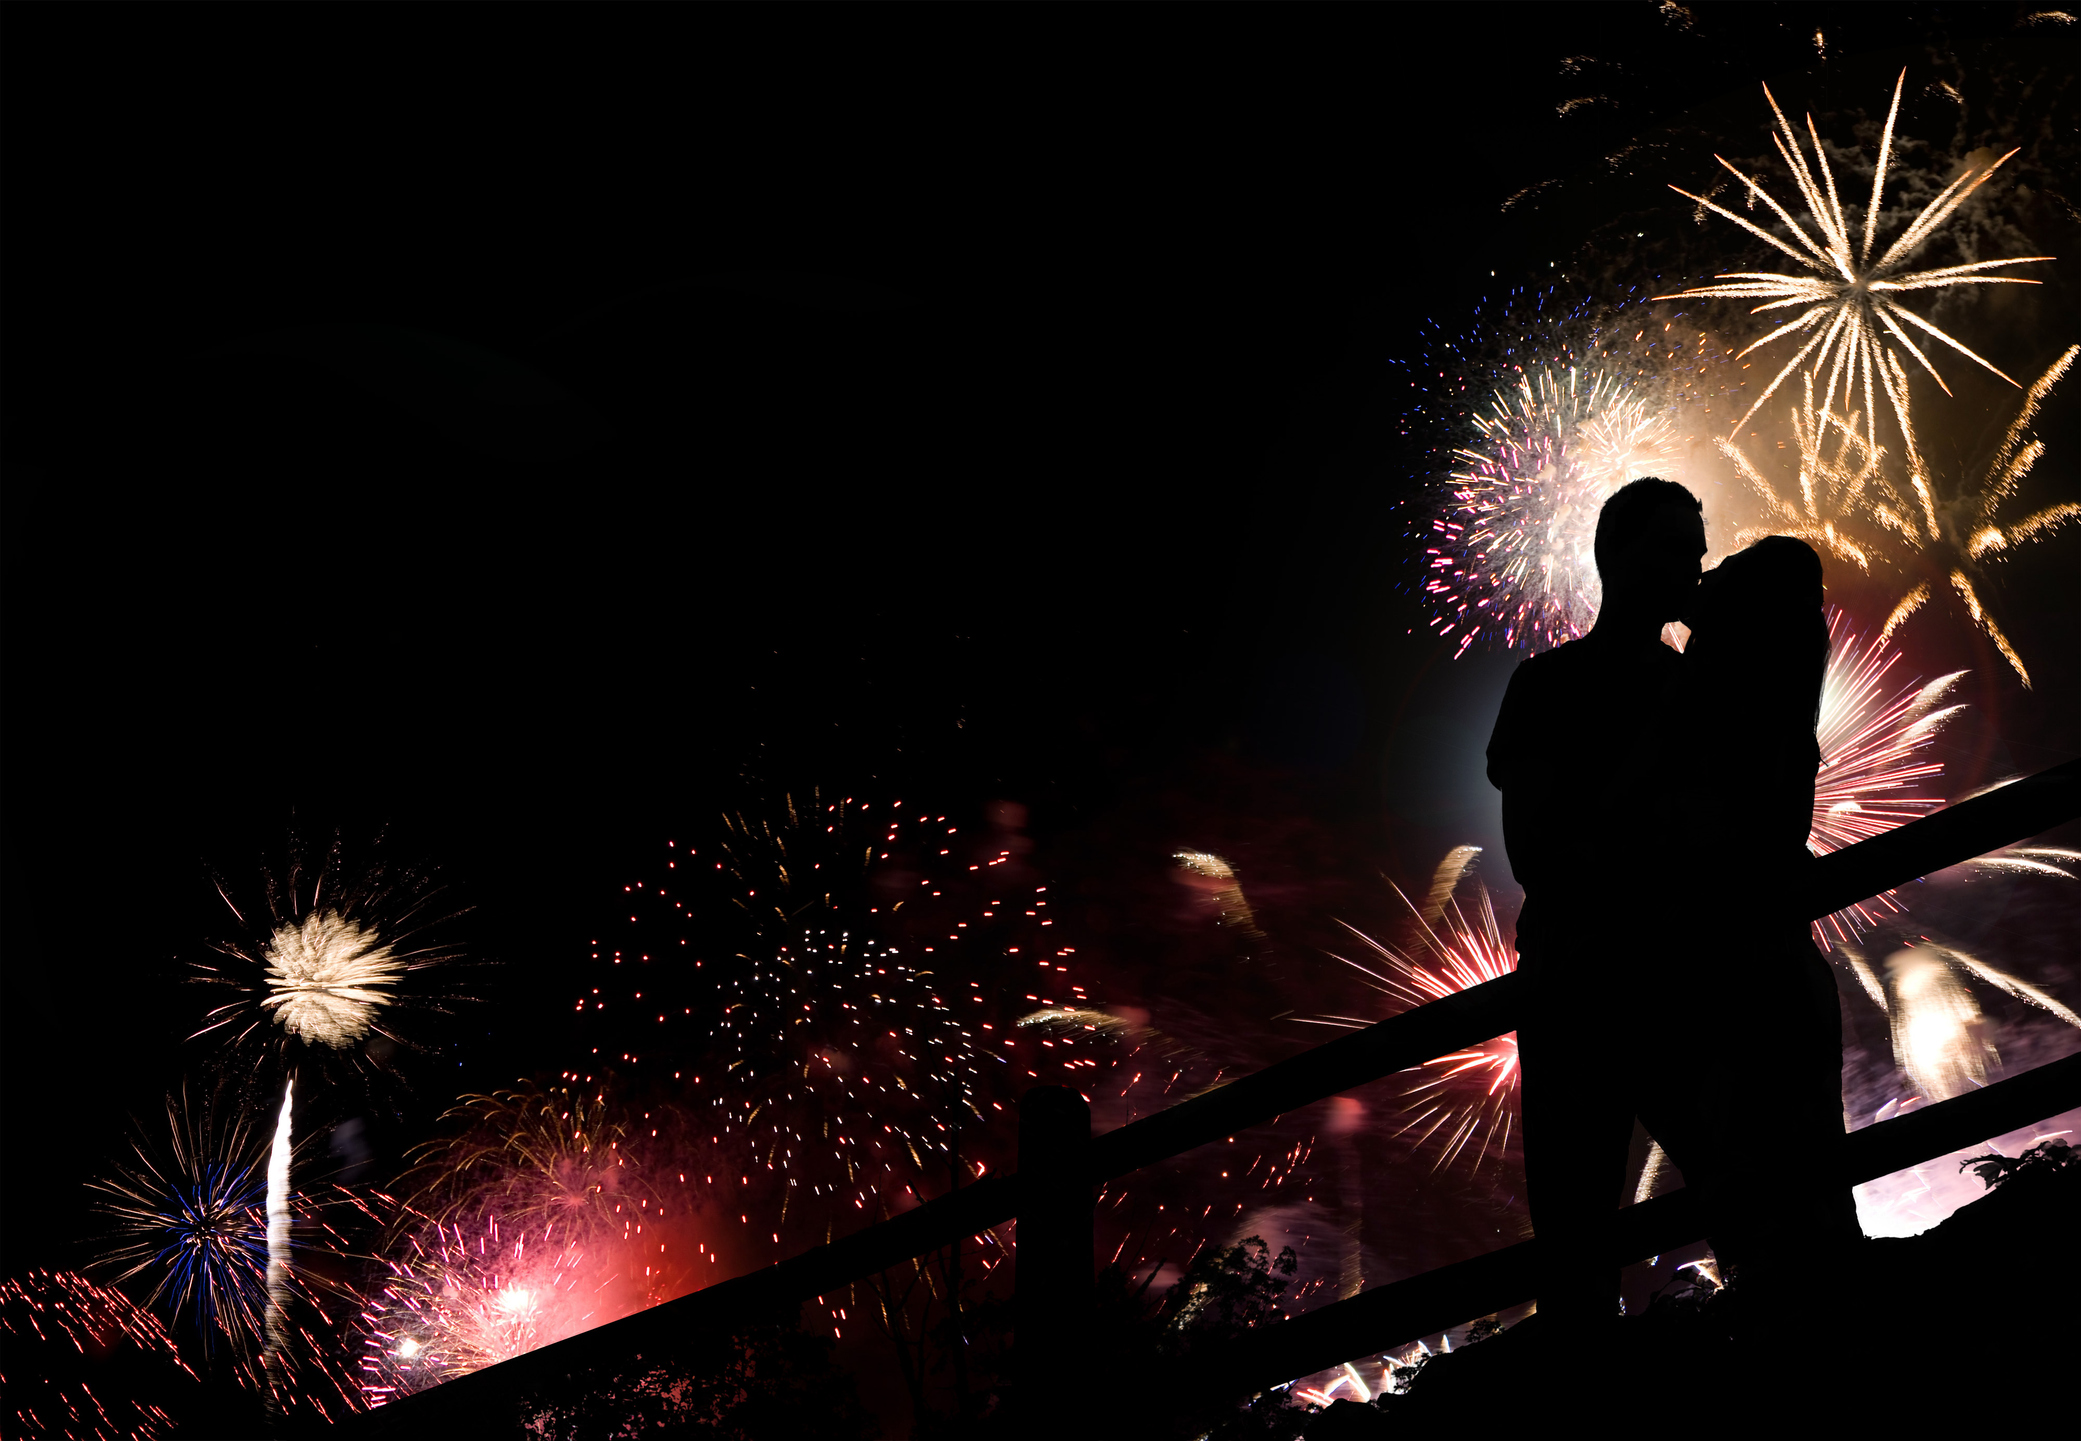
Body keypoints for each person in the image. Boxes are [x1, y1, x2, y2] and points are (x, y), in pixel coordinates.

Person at [1486, 476, 1712, 1337]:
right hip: (1586, 988)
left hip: (1646, 978)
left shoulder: (1688, 687)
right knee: (1579, 1239)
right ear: (1611, 556)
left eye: (1691, 554)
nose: (1689, 570)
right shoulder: (1550, 687)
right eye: (1669, 551)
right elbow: (1533, 855)